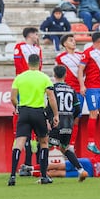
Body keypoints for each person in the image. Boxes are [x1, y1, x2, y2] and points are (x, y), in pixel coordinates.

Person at [8, 54, 59, 186]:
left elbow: (13, 97)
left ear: (28, 63)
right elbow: (51, 98)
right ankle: (43, 176)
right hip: (38, 112)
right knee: (43, 142)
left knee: (19, 143)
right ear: (39, 62)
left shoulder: (20, 77)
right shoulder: (44, 78)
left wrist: (17, 108)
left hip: (24, 112)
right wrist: (56, 115)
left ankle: (13, 176)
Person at [46, 65, 88, 182]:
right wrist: (71, 117)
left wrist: (49, 119)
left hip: (56, 123)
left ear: (54, 75)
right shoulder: (71, 89)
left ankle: (44, 175)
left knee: (44, 146)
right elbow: (78, 109)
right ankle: (80, 170)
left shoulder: (51, 89)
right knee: (65, 148)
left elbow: (48, 107)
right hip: (68, 124)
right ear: (65, 75)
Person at [13, 27, 43, 174]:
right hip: (24, 86)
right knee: (24, 127)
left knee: (37, 129)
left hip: (36, 87)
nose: (37, 36)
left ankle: (36, 165)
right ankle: (27, 163)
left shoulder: (38, 49)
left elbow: (40, 67)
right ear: (30, 35)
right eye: (36, 34)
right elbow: (18, 66)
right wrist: (28, 78)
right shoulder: (19, 47)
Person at [55, 34, 84, 151]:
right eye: (71, 40)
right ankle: (62, 143)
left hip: (79, 91)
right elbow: (57, 74)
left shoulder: (81, 56)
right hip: (66, 91)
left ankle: (71, 144)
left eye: (74, 40)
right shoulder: (60, 57)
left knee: (76, 118)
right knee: (64, 118)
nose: (74, 42)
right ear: (64, 44)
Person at [28, 152, 100, 178]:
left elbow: (95, 154)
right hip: (90, 173)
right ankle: (32, 173)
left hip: (87, 162)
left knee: (58, 165)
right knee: (59, 173)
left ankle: (32, 168)